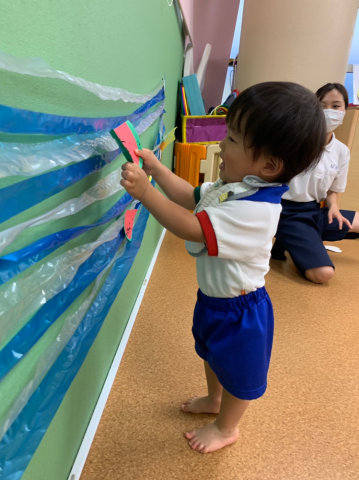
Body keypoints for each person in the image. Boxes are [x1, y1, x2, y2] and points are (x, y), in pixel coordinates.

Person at [120, 82, 326, 454]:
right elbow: (192, 195)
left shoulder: (255, 211)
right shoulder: (238, 186)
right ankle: (214, 401)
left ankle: (227, 426)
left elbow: (190, 224)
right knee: (212, 355)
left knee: (239, 374)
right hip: (215, 301)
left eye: (232, 139)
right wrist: (156, 170)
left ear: (268, 164)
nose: (221, 145)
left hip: (241, 312)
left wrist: (145, 193)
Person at [272, 83, 359, 283]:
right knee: (323, 274)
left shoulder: (341, 151)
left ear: (346, 110)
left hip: (315, 211)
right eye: (322, 105)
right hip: (287, 212)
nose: (329, 111)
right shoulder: (294, 141)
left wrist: (334, 208)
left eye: (336, 106)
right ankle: (293, 240)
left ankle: (302, 239)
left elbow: (333, 190)